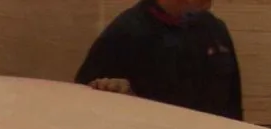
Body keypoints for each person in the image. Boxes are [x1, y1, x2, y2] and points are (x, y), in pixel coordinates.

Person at [74, 0, 244, 121]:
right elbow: (84, 108)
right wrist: (123, 98)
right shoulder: (125, 33)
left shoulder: (215, 29)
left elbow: (233, 108)